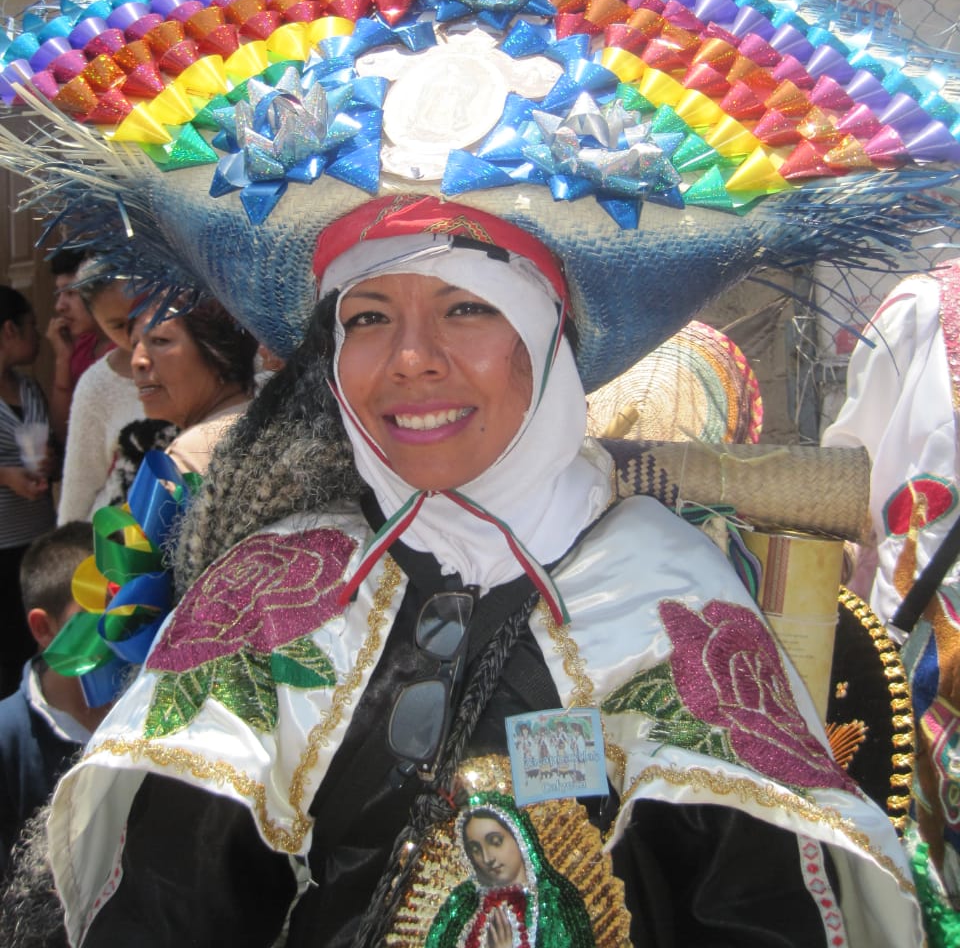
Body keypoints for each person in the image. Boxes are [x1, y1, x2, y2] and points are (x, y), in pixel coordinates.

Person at [44, 196, 919, 947]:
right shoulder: (276, 592)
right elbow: (165, 905)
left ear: (547, 344)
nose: (410, 357)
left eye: (466, 308)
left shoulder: (670, 600)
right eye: (368, 316)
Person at [822, 260, 960, 937]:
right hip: (930, 672)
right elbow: (851, 483)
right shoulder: (924, 312)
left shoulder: (924, 308)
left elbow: (851, 481)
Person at [0, 523, 111, 878]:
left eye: (132, 607)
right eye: (97, 614)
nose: (120, 628)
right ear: (43, 629)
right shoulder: (8, 740)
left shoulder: (149, 710)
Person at [56, 266, 175, 524]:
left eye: (141, 314)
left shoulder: (196, 362)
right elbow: (79, 487)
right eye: (119, 325)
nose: (135, 334)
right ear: (98, 322)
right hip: (121, 548)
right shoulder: (96, 385)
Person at [426, 795, 593, 948]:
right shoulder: (463, 905)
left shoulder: (556, 901)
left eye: (495, 841)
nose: (487, 857)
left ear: (519, 836)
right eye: (475, 849)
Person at [129, 296, 258, 477]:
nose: (137, 361)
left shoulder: (189, 456)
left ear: (216, 352)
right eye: (134, 345)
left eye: (160, 340)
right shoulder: (273, 418)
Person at [0, 288, 55, 699]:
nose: (37, 334)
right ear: (9, 330)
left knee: (34, 644)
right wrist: (6, 476)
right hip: (1, 542)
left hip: (37, 539)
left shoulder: (31, 389)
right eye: (32, 326)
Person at [44, 251, 113, 446]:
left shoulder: (128, 350)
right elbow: (63, 433)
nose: (60, 306)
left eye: (71, 293)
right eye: (59, 294)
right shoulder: (81, 346)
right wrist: (62, 360)